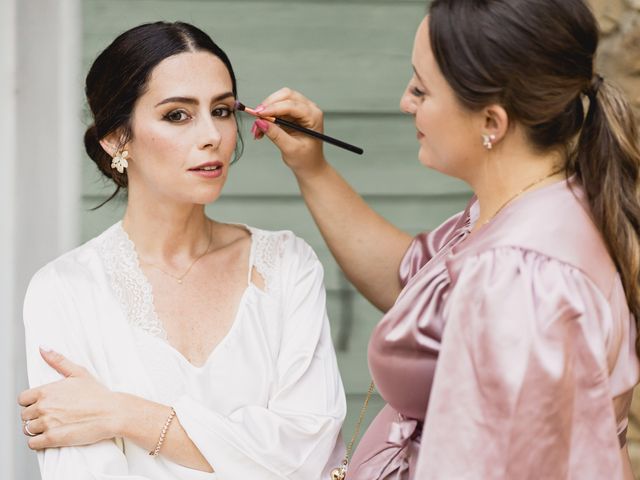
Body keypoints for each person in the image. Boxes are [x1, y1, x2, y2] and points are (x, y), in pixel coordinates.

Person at [251, 0, 640, 478]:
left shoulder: (522, 275)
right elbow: (413, 285)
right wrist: (311, 166)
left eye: (421, 88)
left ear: (491, 123)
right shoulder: (527, 208)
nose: (405, 102)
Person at [17, 21, 345, 480]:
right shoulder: (65, 290)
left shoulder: (287, 265)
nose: (212, 135)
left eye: (224, 110)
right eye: (178, 115)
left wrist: (124, 414)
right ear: (116, 137)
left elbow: (307, 454)